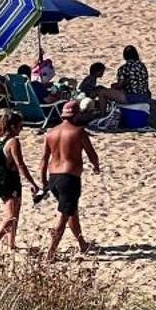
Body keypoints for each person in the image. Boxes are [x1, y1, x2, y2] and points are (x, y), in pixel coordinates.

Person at [41, 101, 100, 258]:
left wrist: (43, 181)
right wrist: (96, 166)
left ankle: (82, 244)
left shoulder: (51, 132)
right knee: (64, 215)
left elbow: (44, 158)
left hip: (53, 177)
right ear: (77, 114)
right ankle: (51, 252)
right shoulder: (78, 132)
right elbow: (91, 153)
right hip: (69, 178)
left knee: (71, 211)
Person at [0, 111, 39, 250]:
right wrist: (32, 183)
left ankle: (11, 244)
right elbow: (20, 165)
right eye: (20, 125)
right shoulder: (13, 142)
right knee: (11, 216)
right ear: (13, 126)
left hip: (2, 180)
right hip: (10, 181)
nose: (22, 128)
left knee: (15, 212)